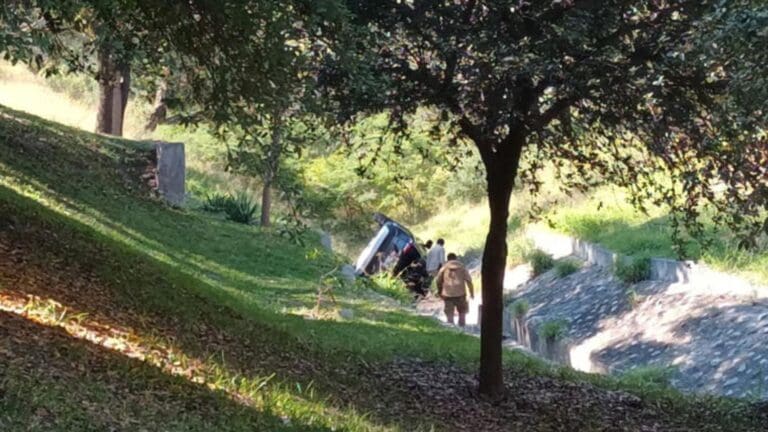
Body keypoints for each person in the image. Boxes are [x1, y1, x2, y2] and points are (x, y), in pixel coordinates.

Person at [435, 253, 474, 327]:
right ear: (456, 258)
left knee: (449, 313)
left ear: (448, 259)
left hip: (447, 294)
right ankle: (462, 328)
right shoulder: (462, 267)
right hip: (461, 294)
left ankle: (451, 328)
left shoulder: (444, 267)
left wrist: (440, 291)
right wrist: (471, 292)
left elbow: (438, 280)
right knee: (462, 312)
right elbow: (469, 281)